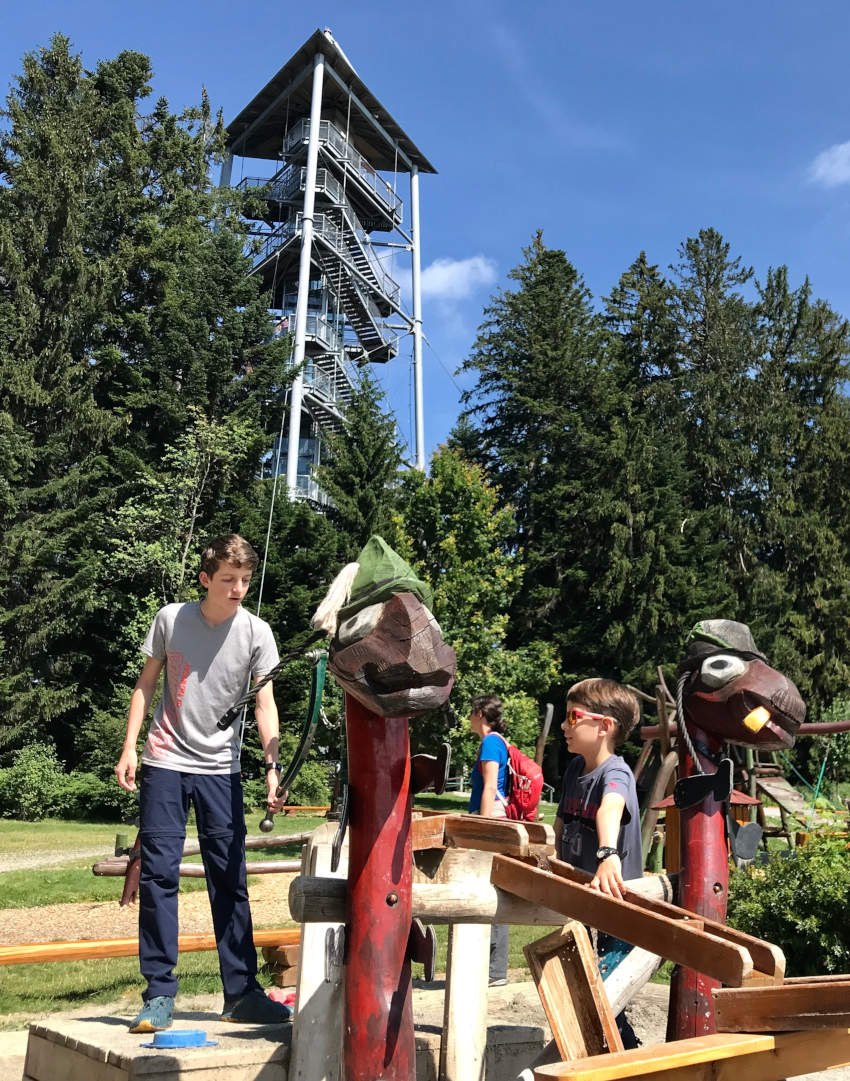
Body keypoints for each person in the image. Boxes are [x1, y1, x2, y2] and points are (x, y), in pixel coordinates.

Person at [115, 534, 291, 1033]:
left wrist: (272, 766)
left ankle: (241, 994)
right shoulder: (171, 619)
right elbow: (146, 683)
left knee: (230, 880)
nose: (238, 589)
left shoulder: (258, 632)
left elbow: (265, 704)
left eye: (245, 580)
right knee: (159, 877)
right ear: (206, 580)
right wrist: (129, 748)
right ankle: (158, 995)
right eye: (229, 580)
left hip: (221, 769)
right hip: (165, 760)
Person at [553, 677, 642, 1048]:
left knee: (605, 993)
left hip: (618, 903)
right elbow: (560, 824)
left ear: (604, 726)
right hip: (586, 898)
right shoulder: (575, 769)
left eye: (573, 717)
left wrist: (608, 854)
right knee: (584, 987)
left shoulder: (615, 772)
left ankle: (626, 1055)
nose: (564, 725)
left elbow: (611, 808)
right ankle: (612, 1051)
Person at [467, 694, 510, 986]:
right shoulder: (496, 741)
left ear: (480, 713)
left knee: (489, 890)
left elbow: (491, 786)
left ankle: (494, 970)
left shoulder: (491, 743)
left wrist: (481, 826)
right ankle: (492, 969)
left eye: (471, 712)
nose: (469, 718)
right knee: (492, 887)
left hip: (490, 817)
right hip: (494, 815)